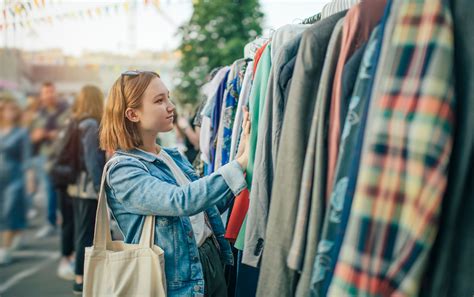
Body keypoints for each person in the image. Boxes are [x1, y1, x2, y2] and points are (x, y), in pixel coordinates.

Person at [100, 70, 251, 296]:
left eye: (168, 97)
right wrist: (237, 166)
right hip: (175, 280)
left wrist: (242, 161)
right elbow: (180, 201)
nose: (170, 106)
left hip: (209, 261)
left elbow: (207, 209)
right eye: (159, 101)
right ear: (133, 114)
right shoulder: (123, 170)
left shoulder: (172, 156)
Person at [30, 82, 74, 280]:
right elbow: (32, 135)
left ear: (55, 92)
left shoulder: (66, 110)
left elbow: (67, 132)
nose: (47, 95)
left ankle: (59, 222)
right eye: (44, 92)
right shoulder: (39, 113)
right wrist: (37, 136)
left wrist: (47, 134)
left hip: (62, 159)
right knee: (49, 191)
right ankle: (51, 221)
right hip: (44, 157)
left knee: (60, 194)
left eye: (50, 92)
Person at [66, 85, 105, 294]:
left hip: (79, 185)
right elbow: (92, 159)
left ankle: (80, 276)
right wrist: (100, 187)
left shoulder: (79, 122)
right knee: (86, 233)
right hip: (87, 186)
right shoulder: (91, 125)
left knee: (82, 231)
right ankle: (80, 279)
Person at [0, 95, 35, 265]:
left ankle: (5, 249)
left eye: (14, 109)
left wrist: (29, 179)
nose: (10, 113)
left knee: (9, 211)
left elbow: (26, 158)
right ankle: (13, 237)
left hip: (14, 177)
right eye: (7, 109)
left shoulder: (21, 133)